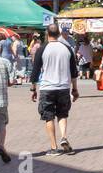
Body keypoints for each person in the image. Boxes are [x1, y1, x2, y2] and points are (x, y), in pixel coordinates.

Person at [29, 24, 79, 156]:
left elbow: (35, 72)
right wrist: (75, 89)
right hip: (63, 87)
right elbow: (74, 72)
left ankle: (53, 147)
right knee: (63, 114)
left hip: (47, 88)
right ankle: (63, 136)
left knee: (48, 116)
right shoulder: (67, 48)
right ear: (59, 34)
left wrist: (33, 89)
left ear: (47, 33)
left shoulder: (42, 49)